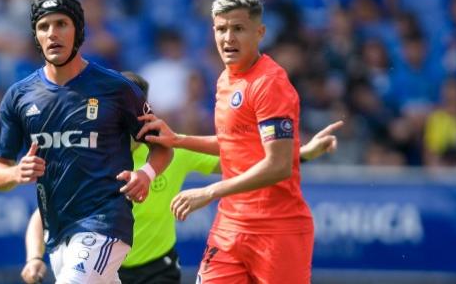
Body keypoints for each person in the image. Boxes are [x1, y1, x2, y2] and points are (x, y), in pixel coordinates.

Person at [21, 71, 342, 284]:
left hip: (157, 269)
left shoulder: (170, 148)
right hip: (102, 268)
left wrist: (304, 154)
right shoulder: (86, 157)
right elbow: (43, 215)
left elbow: (243, 160)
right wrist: (35, 258)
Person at [0, 0, 173, 284]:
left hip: (105, 222)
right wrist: (15, 172)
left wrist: (147, 174)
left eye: (61, 23)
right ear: (36, 36)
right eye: (44, 26)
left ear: (78, 31)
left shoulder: (116, 88)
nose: (52, 33)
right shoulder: (18, 96)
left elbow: (162, 148)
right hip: (58, 235)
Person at [137, 0, 323, 283]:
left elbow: (278, 165)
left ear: (259, 32)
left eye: (238, 29)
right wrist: (178, 139)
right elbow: (235, 143)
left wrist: (210, 191)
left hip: (276, 230)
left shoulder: (270, 84)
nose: (228, 38)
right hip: (230, 225)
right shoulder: (226, 79)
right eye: (221, 29)